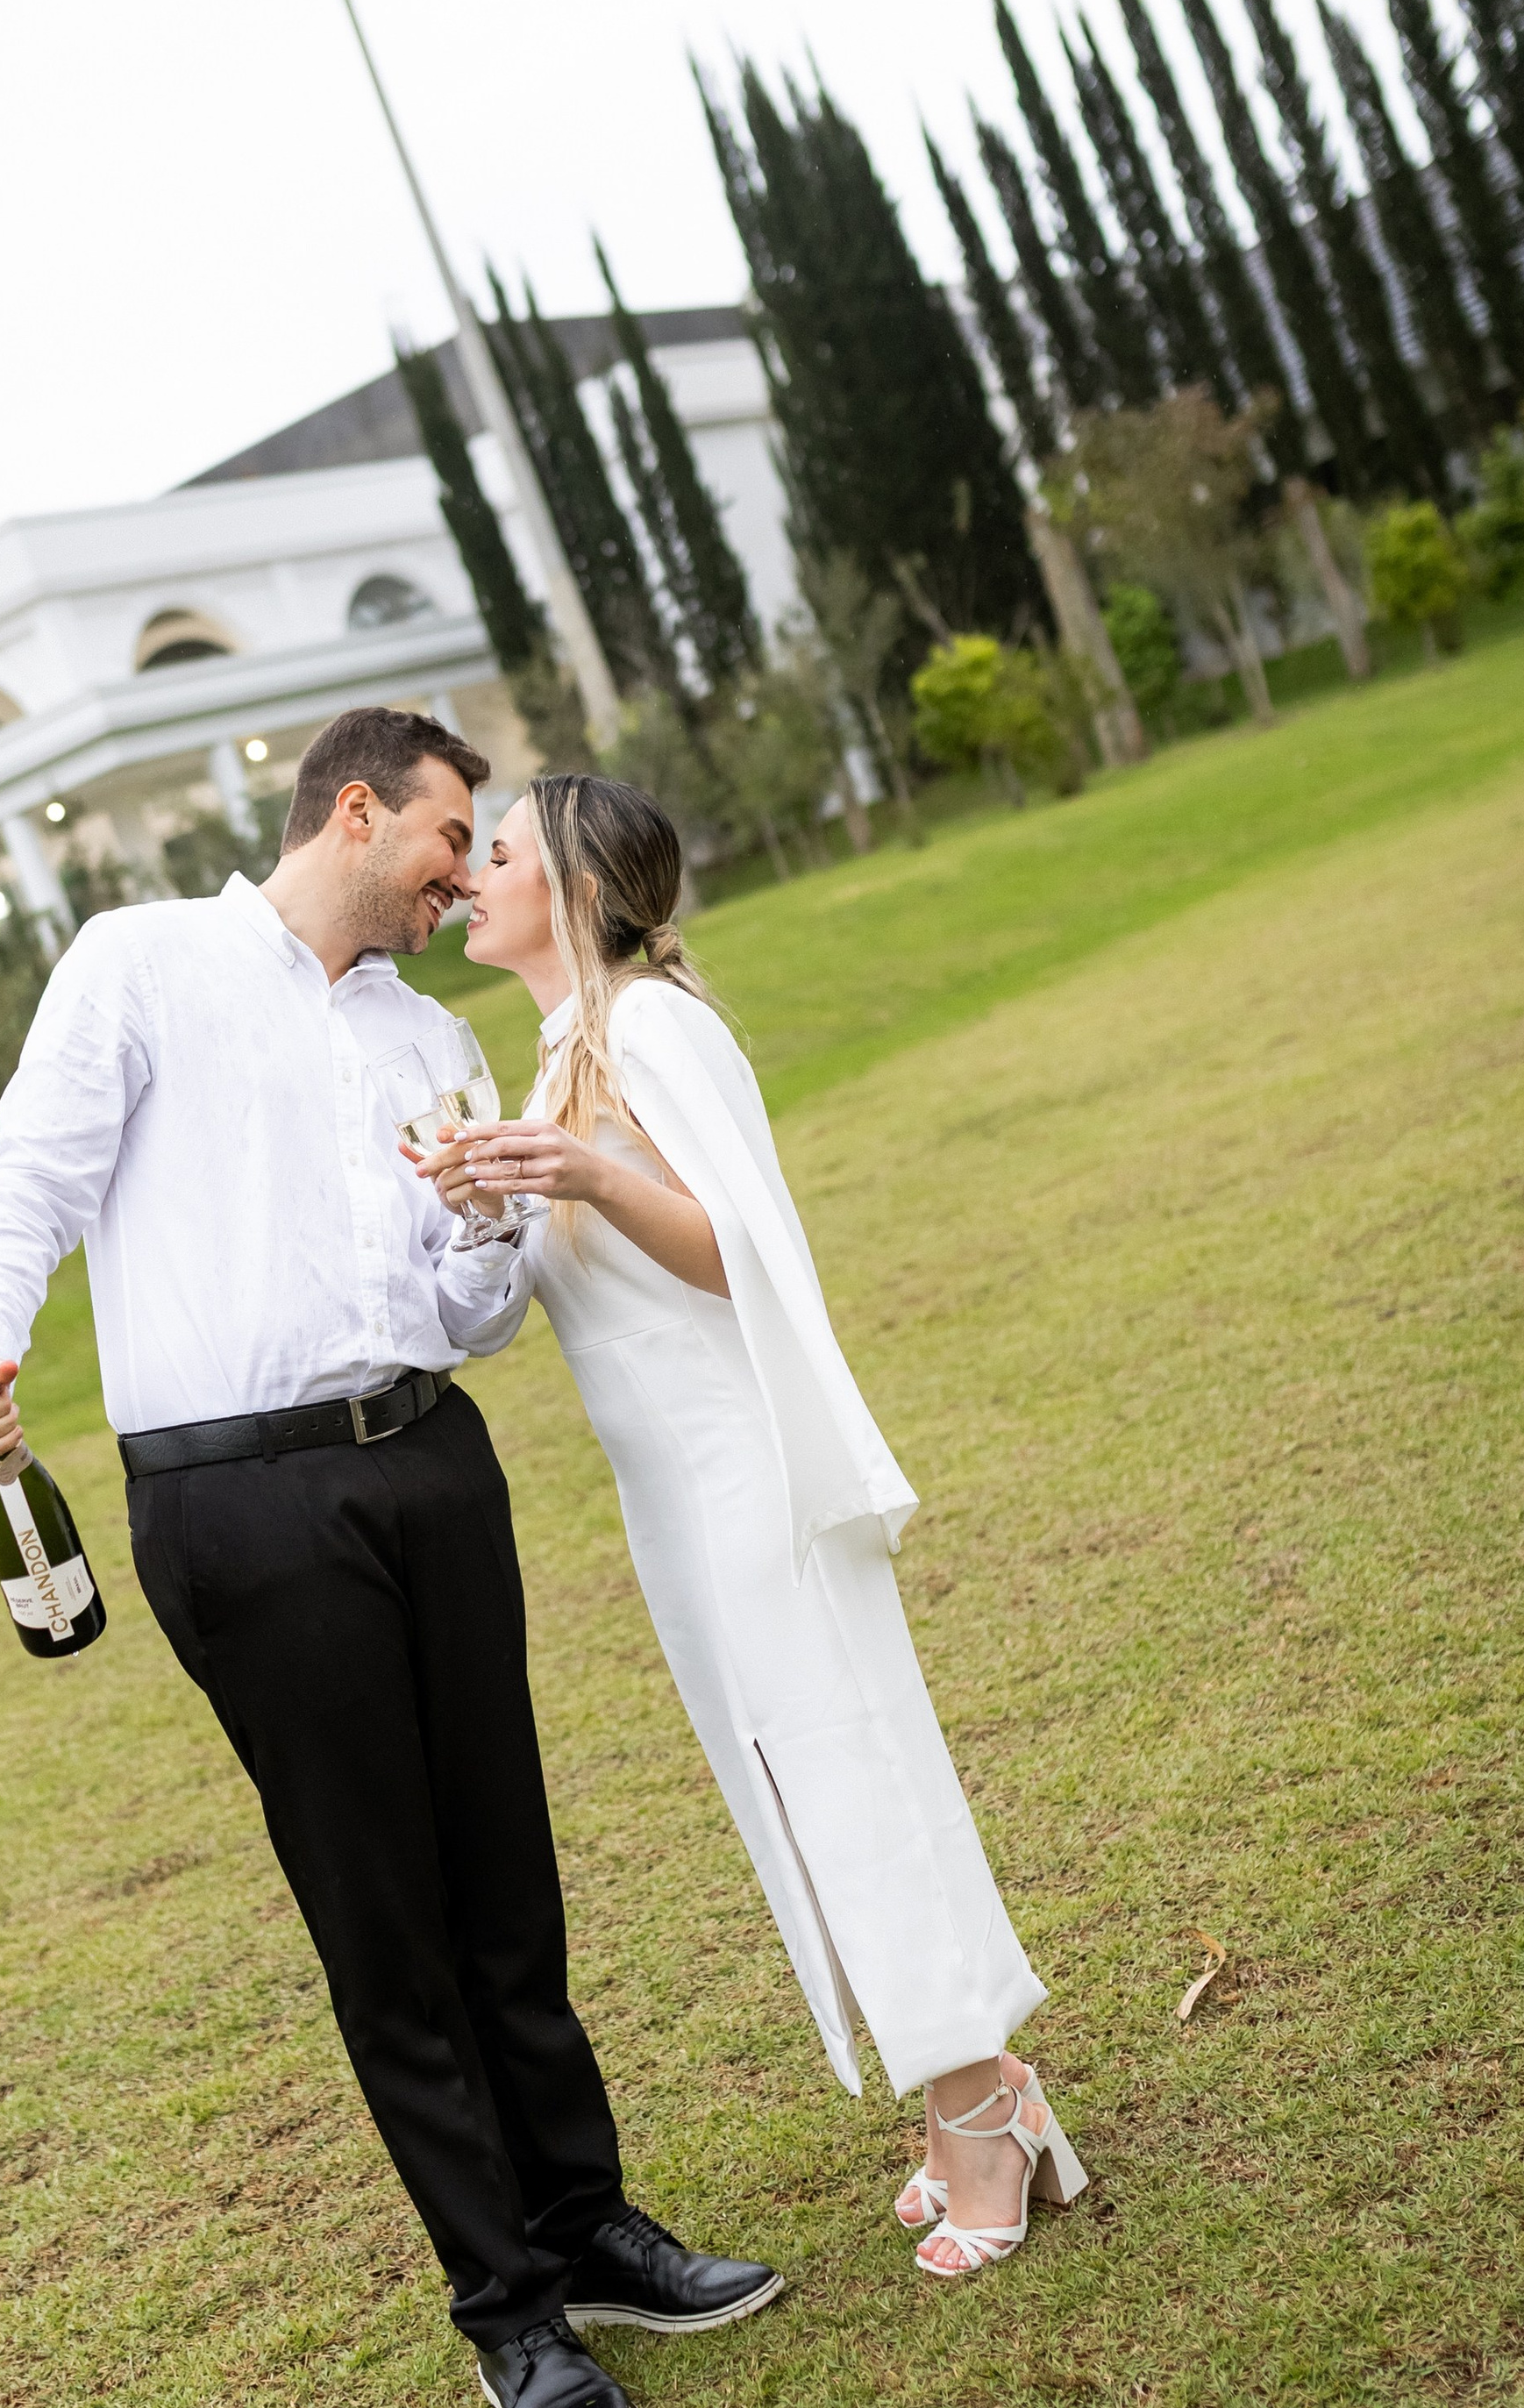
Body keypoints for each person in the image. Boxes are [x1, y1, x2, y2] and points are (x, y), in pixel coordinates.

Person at [0, 706, 781, 2408]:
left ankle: (589, 2226)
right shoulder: (140, 966)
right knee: (381, 1921)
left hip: (432, 1469)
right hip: (239, 1506)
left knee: (502, 1878)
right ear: (358, 809)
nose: (463, 877)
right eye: (449, 839)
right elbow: (33, 1181)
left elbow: (471, 1307)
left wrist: (476, 1228)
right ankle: (508, 2311)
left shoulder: (423, 1039)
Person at [417, 772, 1087, 2280]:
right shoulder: (551, 1057)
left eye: (499, 851)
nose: (471, 876)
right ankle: (965, 2096)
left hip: (750, 1475)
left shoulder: (650, 1026)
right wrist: (482, 1196)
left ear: (575, 891)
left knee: (849, 1772)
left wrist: (583, 1171)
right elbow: (561, 1281)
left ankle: (985, 2104)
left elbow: (746, 1259)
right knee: (796, 1790)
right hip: (670, 1498)